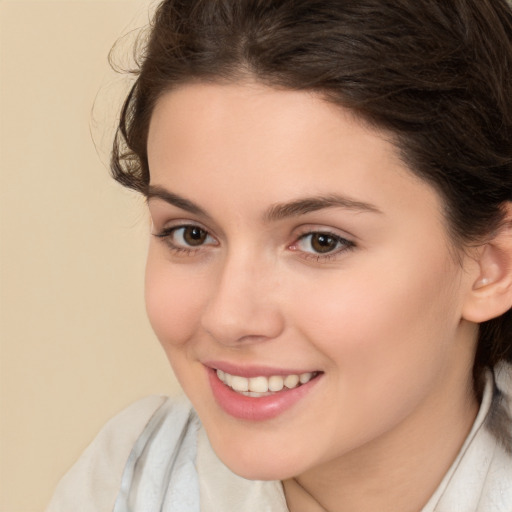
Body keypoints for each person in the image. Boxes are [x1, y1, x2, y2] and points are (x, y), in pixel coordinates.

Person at [47, 1, 512, 511]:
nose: (228, 318)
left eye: (321, 241)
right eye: (191, 234)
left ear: (493, 266)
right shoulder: (126, 481)